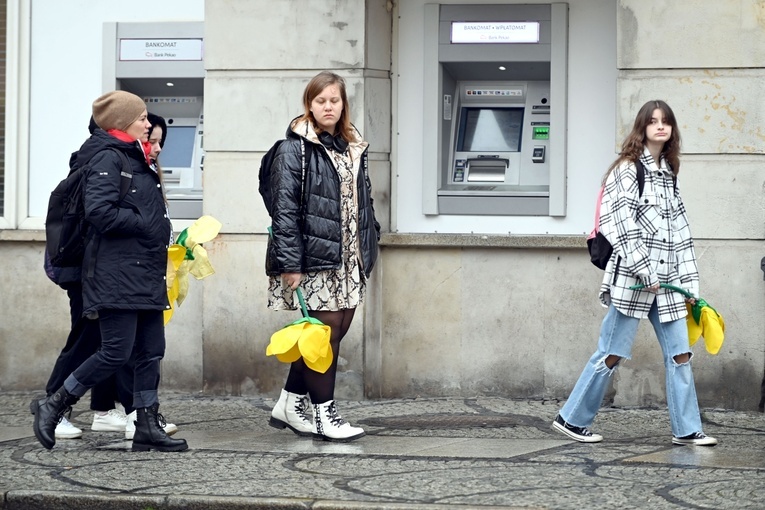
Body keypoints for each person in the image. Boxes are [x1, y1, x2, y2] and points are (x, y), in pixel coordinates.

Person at [551, 100, 717, 447]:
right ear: (641, 127)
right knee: (611, 353)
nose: (660, 126)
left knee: (680, 353)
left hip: (668, 283)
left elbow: (681, 234)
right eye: (653, 121)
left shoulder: (669, 173)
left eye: (666, 121)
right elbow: (619, 225)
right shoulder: (627, 169)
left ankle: (687, 429)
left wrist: (691, 287)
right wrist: (644, 270)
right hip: (633, 281)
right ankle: (571, 419)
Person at [31, 90, 187, 452]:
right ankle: (54, 404)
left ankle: (146, 423)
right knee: (115, 351)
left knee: (151, 349)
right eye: (142, 117)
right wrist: (144, 223)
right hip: (116, 274)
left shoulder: (135, 156)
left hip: (144, 270)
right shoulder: (108, 157)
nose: (148, 124)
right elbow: (99, 211)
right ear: (122, 122)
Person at [266, 71, 380, 442]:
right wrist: (290, 263)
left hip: (349, 257)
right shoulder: (294, 148)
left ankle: (290, 401)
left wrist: (370, 238)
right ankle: (325, 415)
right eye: (320, 101)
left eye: (334, 100)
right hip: (314, 257)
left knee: (333, 333)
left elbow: (364, 200)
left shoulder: (353, 145)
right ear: (309, 105)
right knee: (324, 336)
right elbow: (283, 210)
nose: (328, 106)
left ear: (343, 103)